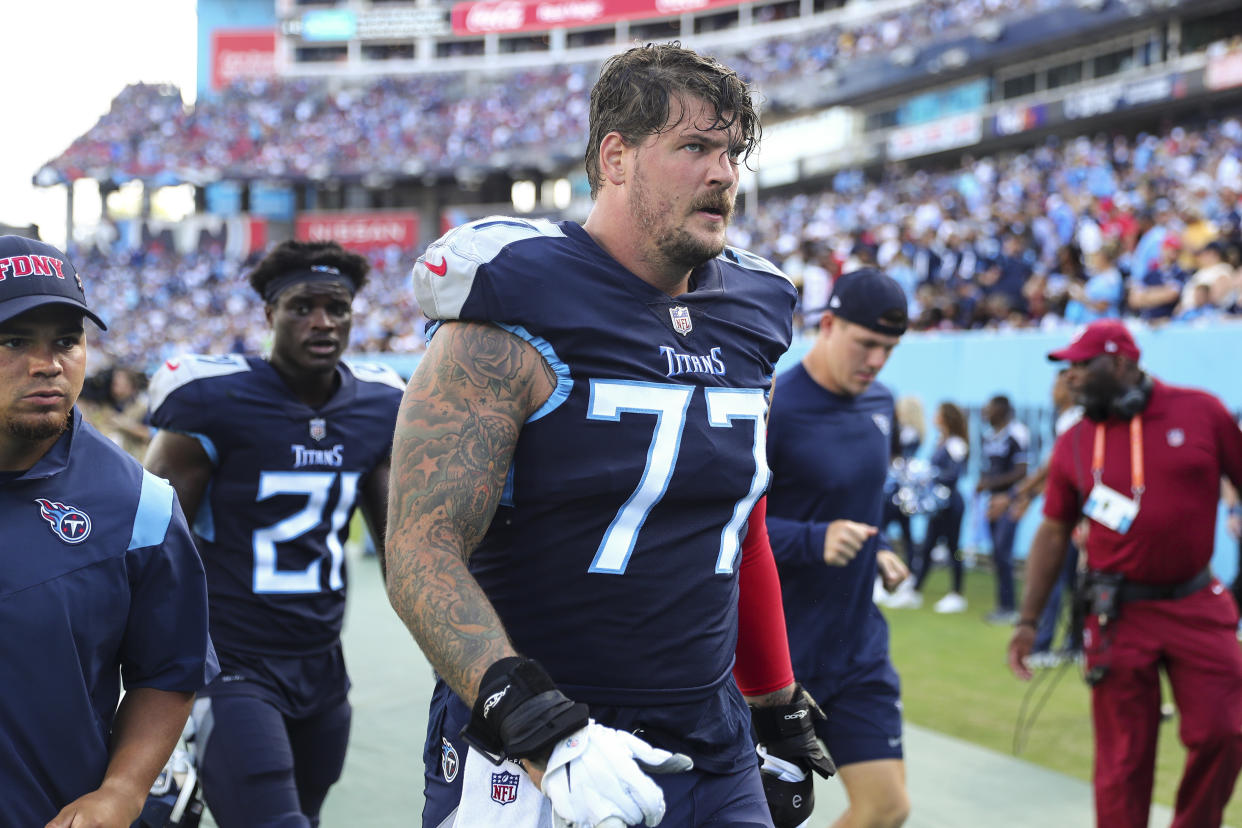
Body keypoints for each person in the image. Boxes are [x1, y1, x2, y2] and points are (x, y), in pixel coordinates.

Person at [386, 42, 832, 828]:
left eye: (732, 152)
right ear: (616, 156)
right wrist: (535, 723)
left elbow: (740, 525)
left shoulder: (755, 310)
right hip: (535, 754)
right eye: (694, 147)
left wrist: (773, 698)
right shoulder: (518, 300)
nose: (724, 174)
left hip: (711, 744)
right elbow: (422, 548)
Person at [143, 240, 404, 826]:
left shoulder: (380, 405)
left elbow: (402, 551)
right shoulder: (213, 400)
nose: (323, 322)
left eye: (337, 308)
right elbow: (147, 546)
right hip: (230, 661)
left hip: (322, 663)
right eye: (302, 307)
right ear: (269, 314)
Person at [0, 235, 217, 826]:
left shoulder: (140, 503)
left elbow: (170, 671)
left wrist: (121, 791)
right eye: (14, 340)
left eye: (66, 341)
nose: (48, 364)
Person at [1007, 318, 1242, 828]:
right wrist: (1027, 622)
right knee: (1123, 760)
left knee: (1226, 731)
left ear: (1121, 363)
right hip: (1119, 613)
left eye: (1080, 366)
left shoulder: (1201, 411)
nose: (1070, 378)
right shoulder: (1074, 441)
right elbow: (1052, 531)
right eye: (1066, 369)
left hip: (1196, 602)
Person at [765, 268, 913, 828]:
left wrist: (877, 548)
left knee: (887, 807)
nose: (877, 360)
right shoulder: (774, 403)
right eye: (867, 343)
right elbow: (726, 528)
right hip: (776, 655)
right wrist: (812, 540)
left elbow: (855, 502)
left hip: (857, 650)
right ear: (827, 325)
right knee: (766, 816)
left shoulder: (882, 403)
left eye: (890, 348)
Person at [1009, 368, 1084, 665]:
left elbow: (1053, 466)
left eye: (1057, 385)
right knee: (1070, 580)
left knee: (1056, 577)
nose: (1052, 391)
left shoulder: (1074, 419)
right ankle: (1072, 644)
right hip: (1069, 512)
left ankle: (1046, 645)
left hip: (1073, 516)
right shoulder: (1066, 419)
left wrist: (1021, 493)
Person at [893, 401, 970, 613]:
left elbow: (955, 474)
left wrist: (930, 476)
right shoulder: (941, 441)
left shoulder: (955, 443)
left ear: (946, 417)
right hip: (939, 505)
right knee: (927, 547)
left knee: (954, 549)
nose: (934, 416)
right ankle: (915, 591)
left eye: (938, 413)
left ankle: (956, 594)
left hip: (952, 503)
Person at [976, 394, 1029, 625]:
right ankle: (1003, 605)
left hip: (1010, 501)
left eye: (989, 409)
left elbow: (1021, 472)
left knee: (1004, 552)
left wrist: (992, 484)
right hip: (992, 501)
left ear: (1002, 410)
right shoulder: (989, 436)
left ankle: (1010, 608)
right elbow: (991, 468)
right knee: (997, 553)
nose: (985, 413)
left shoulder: (1017, 433)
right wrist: (984, 482)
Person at [78, 365, 151, 459]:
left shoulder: (142, 407)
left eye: (118, 383)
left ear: (131, 387)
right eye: (114, 382)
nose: (114, 386)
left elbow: (150, 434)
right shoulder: (105, 404)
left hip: (131, 458)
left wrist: (125, 424)